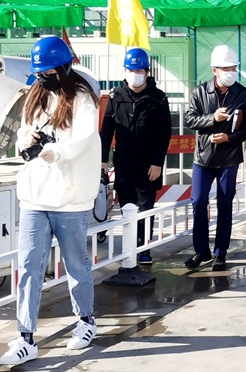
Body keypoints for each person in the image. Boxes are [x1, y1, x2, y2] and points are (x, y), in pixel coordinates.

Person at [0, 37, 101, 366]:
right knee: (29, 266)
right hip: (35, 195)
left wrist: (54, 150)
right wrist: (25, 139)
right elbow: (22, 133)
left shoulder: (82, 99)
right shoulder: (35, 94)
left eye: (48, 73)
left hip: (69, 198)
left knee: (76, 265)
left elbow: (84, 139)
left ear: (64, 68)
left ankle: (85, 320)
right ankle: (26, 337)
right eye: (39, 73)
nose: (42, 78)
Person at [184, 45, 246, 271]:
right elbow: (190, 119)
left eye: (233, 68)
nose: (231, 72)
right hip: (203, 159)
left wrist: (229, 137)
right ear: (214, 70)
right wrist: (212, 118)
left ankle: (220, 252)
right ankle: (201, 250)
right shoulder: (200, 92)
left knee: (225, 205)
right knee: (198, 202)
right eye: (226, 68)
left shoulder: (243, 94)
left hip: (229, 159)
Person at [100, 48, 172, 265]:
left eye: (139, 70)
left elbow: (164, 133)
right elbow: (107, 130)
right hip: (123, 162)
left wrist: (158, 162)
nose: (135, 74)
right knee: (126, 206)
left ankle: (144, 248)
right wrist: (103, 160)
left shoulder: (158, 98)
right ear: (125, 71)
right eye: (131, 70)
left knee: (145, 207)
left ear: (147, 72)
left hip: (148, 164)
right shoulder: (116, 96)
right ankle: (130, 246)